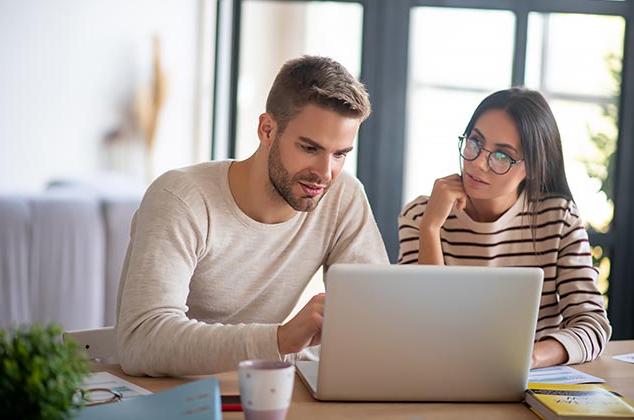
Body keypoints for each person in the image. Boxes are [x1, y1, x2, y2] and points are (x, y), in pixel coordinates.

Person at [115, 55, 389, 376]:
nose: (325, 173)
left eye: (340, 154)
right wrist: (280, 339)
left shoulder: (343, 196)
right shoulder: (181, 198)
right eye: (309, 148)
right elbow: (141, 340)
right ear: (267, 129)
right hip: (175, 396)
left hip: (263, 391)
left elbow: (373, 323)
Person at [398, 88, 611, 369]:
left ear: (534, 167)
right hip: (442, 374)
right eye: (475, 142)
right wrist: (431, 228)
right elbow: (420, 327)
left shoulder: (558, 218)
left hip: (530, 381)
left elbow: (593, 325)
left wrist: (527, 358)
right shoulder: (421, 216)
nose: (477, 163)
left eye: (502, 156)